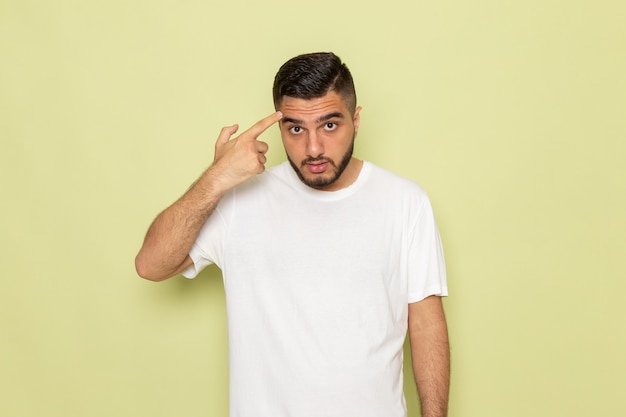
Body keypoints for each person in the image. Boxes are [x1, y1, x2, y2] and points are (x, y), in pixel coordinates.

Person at [135, 52, 450, 417]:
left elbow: (426, 324)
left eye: (329, 125)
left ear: (356, 120)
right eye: (296, 129)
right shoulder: (238, 201)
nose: (313, 148)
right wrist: (216, 177)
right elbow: (151, 265)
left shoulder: (404, 202)